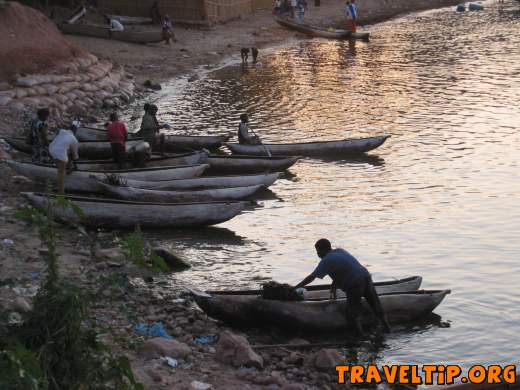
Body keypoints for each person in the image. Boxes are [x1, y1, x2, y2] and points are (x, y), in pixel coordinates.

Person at [295, 238, 391, 335]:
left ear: (323, 250)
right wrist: (334, 285)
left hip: (355, 283)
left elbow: (312, 277)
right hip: (365, 276)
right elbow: (342, 268)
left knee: (352, 313)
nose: (317, 254)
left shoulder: (326, 260)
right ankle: (387, 328)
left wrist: (296, 287)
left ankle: (360, 336)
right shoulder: (340, 251)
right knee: (375, 304)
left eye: (318, 251)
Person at [49, 122, 80, 194]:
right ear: (75, 131)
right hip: (60, 154)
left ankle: (67, 167)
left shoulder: (62, 131)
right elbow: (75, 156)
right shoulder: (74, 139)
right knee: (61, 173)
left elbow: (58, 131)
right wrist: (75, 166)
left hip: (51, 149)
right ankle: (61, 192)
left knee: (67, 155)